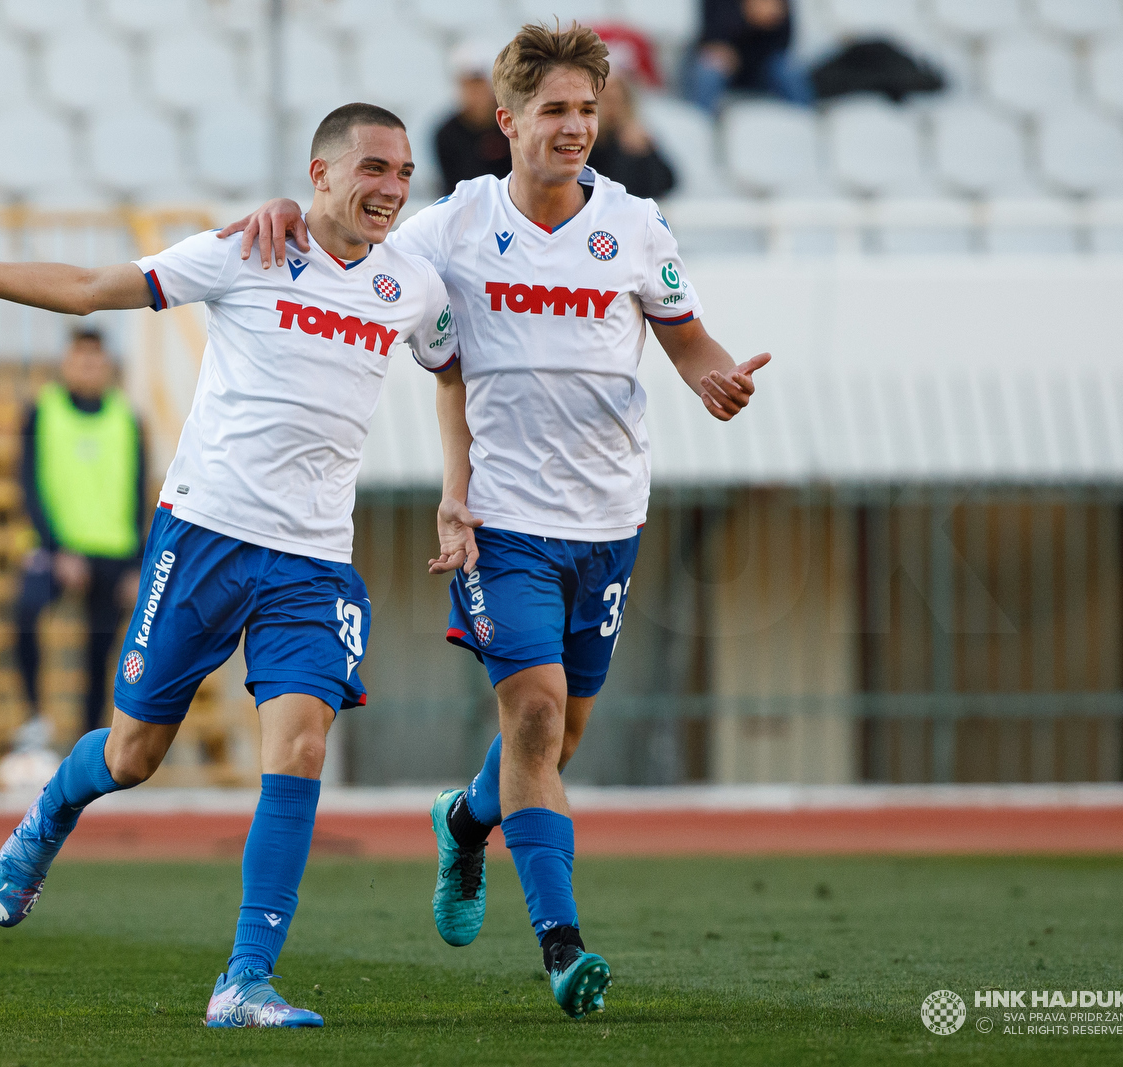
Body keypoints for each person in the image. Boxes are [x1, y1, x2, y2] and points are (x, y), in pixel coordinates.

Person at [0, 102, 456, 1029]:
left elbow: (452, 366)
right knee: (134, 754)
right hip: (205, 538)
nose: (391, 187)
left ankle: (244, 980)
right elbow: (93, 285)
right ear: (322, 172)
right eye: (374, 168)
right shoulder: (245, 249)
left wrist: (457, 490)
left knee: (300, 745)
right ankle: (53, 811)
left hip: (313, 559)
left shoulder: (414, 285)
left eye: (404, 171)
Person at [224, 22, 770, 1020]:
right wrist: (285, 210)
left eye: (587, 111)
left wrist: (716, 380)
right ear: (507, 118)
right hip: (502, 520)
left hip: (608, 517)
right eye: (555, 110)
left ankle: (466, 820)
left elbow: (687, 339)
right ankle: (564, 948)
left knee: (560, 739)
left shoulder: (636, 225)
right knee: (533, 713)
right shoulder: (454, 226)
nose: (574, 128)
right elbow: (350, 233)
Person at [12, 327, 147, 755]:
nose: (88, 367)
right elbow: (28, 483)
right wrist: (55, 549)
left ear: (107, 365)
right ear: (66, 363)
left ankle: (88, 746)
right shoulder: (41, 411)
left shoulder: (128, 418)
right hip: (59, 549)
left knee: (100, 653)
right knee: (25, 611)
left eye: (96, 359)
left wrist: (136, 563)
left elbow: (141, 492)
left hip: (113, 552)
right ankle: (35, 716)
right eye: (80, 359)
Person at [685, 0, 815, 115]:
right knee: (708, 71)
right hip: (725, 65)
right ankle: (699, 128)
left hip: (762, 65)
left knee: (789, 71)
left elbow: (783, 44)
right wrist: (747, 18)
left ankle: (807, 125)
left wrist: (768, 22)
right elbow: (710, 37)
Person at [434, 40, 511, 194]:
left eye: (478, 83)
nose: (474, 91)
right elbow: (450, 189)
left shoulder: (513, 124)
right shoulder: (445, 134)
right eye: (467, 84)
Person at [586, 71, 675, 200]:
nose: (613, 109)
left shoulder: (636, 137)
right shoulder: (588, 143)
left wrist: (644, 151)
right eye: (607, 101)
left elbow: (668, 181)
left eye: (618, 101)